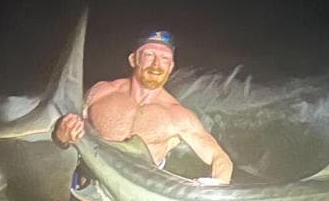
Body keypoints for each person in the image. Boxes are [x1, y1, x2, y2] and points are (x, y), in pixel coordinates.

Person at [53, 29, 234, 184]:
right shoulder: (100, 92)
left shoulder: (178, 116)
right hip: (87, 193)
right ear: (134, 60)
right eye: (149, 55)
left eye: (164, 58)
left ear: (171, 66)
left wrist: (218, 184)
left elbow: (220, 158)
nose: (156, 64)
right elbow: (66, 135)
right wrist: (61, 136)